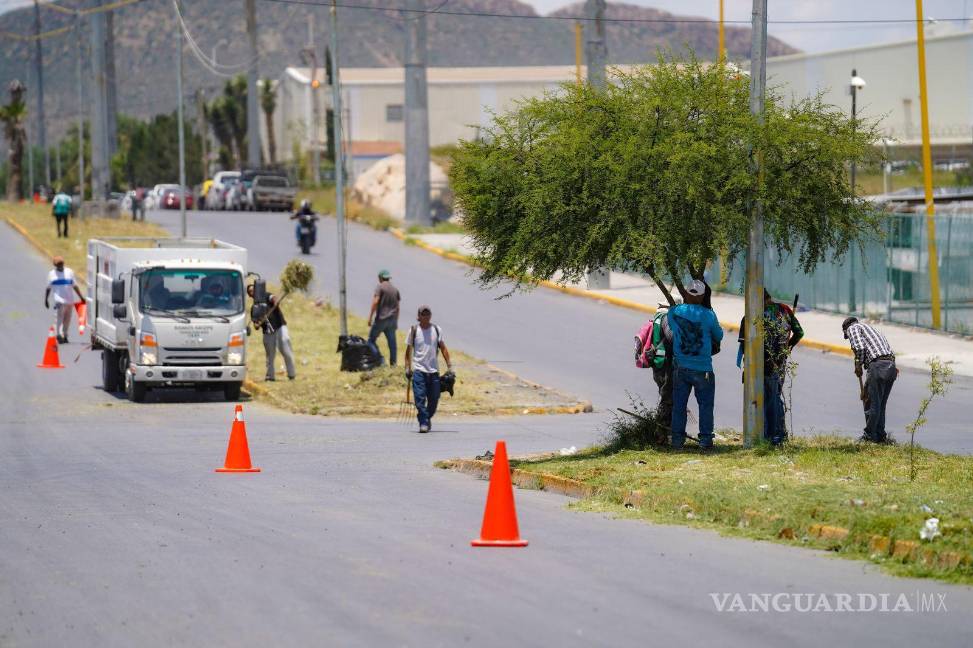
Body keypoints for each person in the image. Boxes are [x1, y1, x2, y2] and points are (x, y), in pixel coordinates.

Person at [736, 290, 805, 445]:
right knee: (775, 398)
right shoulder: (785, 309)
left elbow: (745, 345)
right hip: (779, 362)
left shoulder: (752, 316)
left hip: (759, 364)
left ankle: (769, 435)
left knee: (765, 400)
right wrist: (788, 347)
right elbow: (799, 332)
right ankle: (779, 434)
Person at [667, 279, 724, 450]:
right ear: (701, 296)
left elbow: (672, 328)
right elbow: (719, 336)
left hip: (681, 367)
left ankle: (677, 441)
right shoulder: (708, 315)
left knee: (679, 405)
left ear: (685, 293)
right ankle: (705, 441)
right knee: (705, 406)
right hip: (703, 368)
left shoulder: (674, 312)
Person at [842, 317, 896, 444]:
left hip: (877, 365)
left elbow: (859, 348)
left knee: (872, 403)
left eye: (847, 336)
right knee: (880, 404)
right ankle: (880, 436)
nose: (849, 338)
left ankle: (869, 436)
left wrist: (857, 364)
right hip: (891, 366)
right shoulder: (871, 329)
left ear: (846, 329)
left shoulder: (853, 328)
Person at [405, 305, 452, 433]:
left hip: (433, 372)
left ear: (430, 316)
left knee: (434, 399)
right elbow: (408, 352)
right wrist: (407, 368)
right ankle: (424, 422)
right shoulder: (413, 330)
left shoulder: (436, 330)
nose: (426, 316)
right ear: (419, 317)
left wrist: (449, 366)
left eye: (428, 314)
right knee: (419, 399)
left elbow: (443, 348)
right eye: (423, 314)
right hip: (419, 371)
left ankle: (426, 417)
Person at [247, 284, 297, 381]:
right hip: (268, 332)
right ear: (250, 295)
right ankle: (270, 376)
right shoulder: (254, 308)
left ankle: (291, 374)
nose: (253, 292)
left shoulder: (266, 295)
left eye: (254, 290)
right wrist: (258, 324)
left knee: (285, 346)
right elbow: (256, 325)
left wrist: (275, 301)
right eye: (251, 292)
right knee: (270, 355)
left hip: (279, 326)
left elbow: (273, 298)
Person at [45, 256, 85, 344]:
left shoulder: (69, 272)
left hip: (69, 300)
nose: (60, 266)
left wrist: (81, 297)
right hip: (59, 300)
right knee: (59, 317)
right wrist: (46, 300)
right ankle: (58, 334)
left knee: (67, 319)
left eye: (61, 264)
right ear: (55, 265)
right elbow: (48, 288)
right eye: (58, 264)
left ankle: (65, 335)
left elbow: (75, 286)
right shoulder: (51, 274)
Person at [367, 269, 401, 366]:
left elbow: (375, 302)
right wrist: (396, 322)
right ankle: (393, 365)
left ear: (380, 278)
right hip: (392, 321)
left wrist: (370, 317)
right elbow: (398, 308)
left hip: (381, 319)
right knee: (392, 345)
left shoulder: (380, 287)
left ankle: (381, 360)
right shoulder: (395, 290)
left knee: (371, 341)